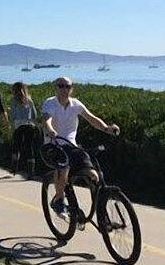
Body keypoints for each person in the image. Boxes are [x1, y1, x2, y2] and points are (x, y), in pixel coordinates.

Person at [41, 77, 119, 219]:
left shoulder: (76, 104)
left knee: (94, 175)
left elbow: (92, 119)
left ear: (72, 88)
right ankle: (58, 200)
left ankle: (101, 213)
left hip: (71, 146)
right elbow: (47, 119)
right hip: (53, 145)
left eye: (67, 86)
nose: (64, 89)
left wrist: (107, 128)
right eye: (61, 86)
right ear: (56, 87)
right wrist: (51, 130)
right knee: (63, 167)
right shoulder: (50, 103)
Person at [9, 81, 38, 177]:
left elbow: (12, 115)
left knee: (16, 147)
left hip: (19, 126)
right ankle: (31, 172)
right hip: (30, 125)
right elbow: (35, 114)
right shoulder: (29, 100)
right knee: (30, 148)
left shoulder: (14, 100)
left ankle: (14, 168)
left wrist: (12, 125)